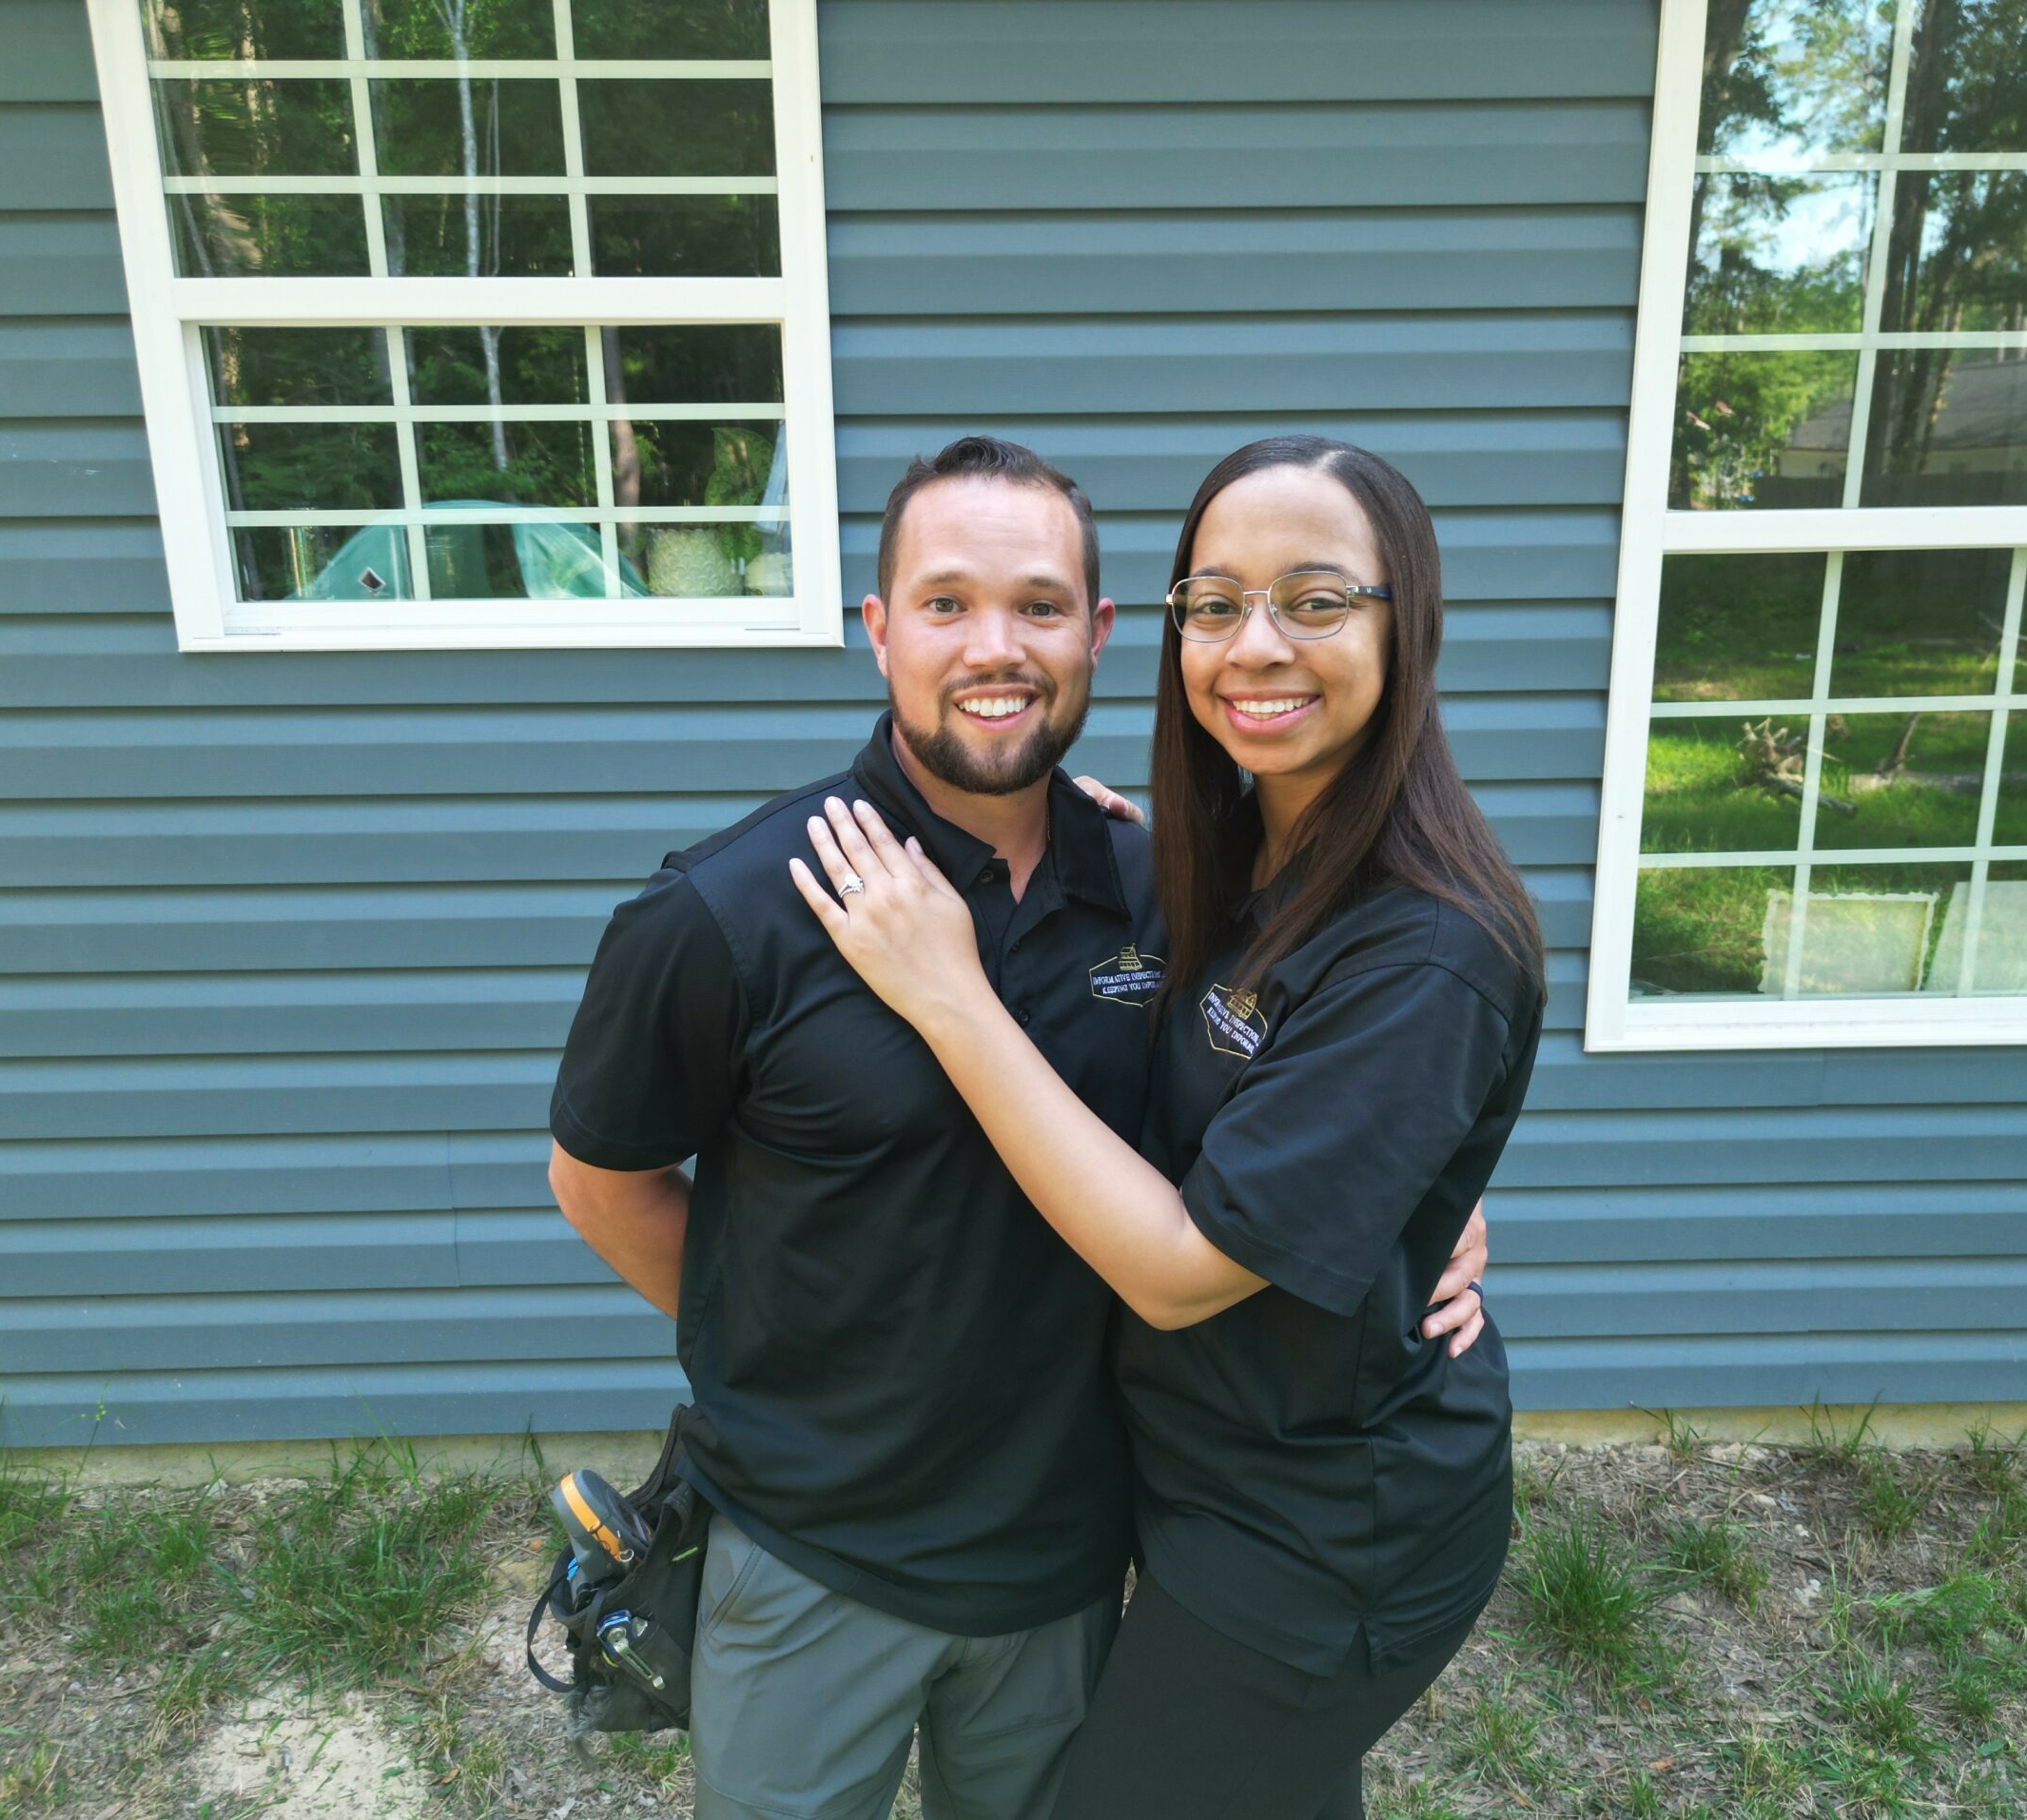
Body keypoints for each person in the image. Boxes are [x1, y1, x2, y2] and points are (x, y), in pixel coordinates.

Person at [547, 434, 1492, 1820]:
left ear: (1098, 634)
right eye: (946, 603)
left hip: (1068, 1562)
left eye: (1039, 605)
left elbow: (1313, 1073)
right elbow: (602, 1180)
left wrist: (1424, 1193)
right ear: (879, 629)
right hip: (814, 1553)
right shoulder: (732, 910)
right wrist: (793, 1360)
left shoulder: (1164, 884)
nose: (995, 647)